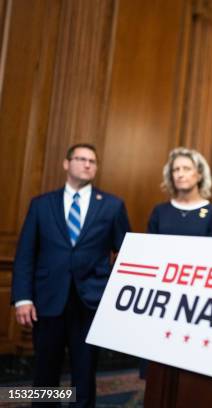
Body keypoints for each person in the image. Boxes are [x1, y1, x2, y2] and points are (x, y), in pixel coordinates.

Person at [12, 143, 130, 407]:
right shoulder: (41, 205)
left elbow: (126, 256)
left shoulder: (112, 206)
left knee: (84, 373)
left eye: (92, 161)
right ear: (66, 164)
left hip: (90, 303)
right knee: (45, 372)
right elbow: (25, 255)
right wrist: (22, 298)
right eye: (80, 159)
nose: (87, 164)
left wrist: (111, 295)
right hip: (47, 302)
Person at [147, 147, 212, 237]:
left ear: (199, 175)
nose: (180, 174)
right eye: (176, 169)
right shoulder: (160, 211)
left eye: (186, 169)